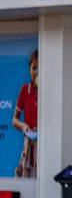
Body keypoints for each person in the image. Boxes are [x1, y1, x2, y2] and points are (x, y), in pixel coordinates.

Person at [13, 48, 38, 178]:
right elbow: (14, 120)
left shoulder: (49, 90)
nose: (36, 72)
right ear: (29, 70)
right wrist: (24, 126)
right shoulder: (24, 90)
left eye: (39, 68)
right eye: (34, 68)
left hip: (45, 146)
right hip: (29, 144)